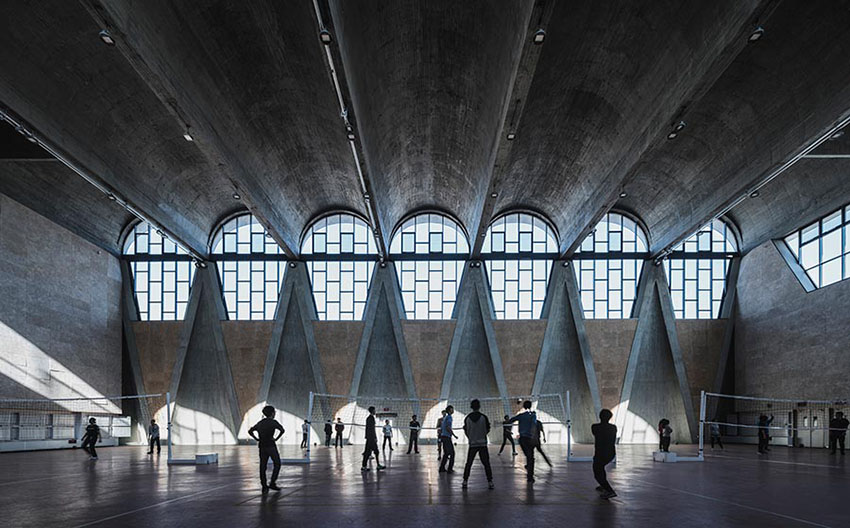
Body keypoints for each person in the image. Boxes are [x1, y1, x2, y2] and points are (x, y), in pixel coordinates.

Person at [248, 405, 284, 493]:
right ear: (272, 413)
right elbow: (282, 430)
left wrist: (257, 439)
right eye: (274, 412)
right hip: (271, 446)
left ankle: (264, 486)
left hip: (262, 446)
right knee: (277, 463)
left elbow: (250, 431)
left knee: (263, 466)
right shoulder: (273, 422)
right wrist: (276, 438)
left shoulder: (260, 423)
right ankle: (272, 482)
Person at [462, 399, 494, 490]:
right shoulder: (484, 417)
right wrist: (482, 435)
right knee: (486, 463)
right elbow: (488, 429)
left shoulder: (467, 418)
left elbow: (465, 430)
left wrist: (471, 438)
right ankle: (490, 482)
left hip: (472, 444)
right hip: (482, 444)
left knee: (469, 463)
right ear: (479, 406)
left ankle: (465, 481)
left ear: (471, 407)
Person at [508, 401, 538, 482]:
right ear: (530, 406)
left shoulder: (521, 416)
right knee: (530, 457)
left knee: (529, 456)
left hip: (522, 439)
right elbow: (534, 425)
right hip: (530, 438)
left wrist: (504, 422)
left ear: (524, 407)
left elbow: (511, 420)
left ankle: (529, 471)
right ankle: (530, 477)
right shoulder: (533, 415)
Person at [592, 409, 617, 500]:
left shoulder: (595, 427)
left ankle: (610, 491)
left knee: (597, 473)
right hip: (611, 453)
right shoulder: (613, 427)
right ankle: (603, 486)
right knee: (601, 468)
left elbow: (596, 433)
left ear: (600, 416)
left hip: (600, 454)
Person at [361, 406, 385, 471]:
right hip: (371, 438)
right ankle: (377, 465)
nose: (375, 411)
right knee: (375, 451)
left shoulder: (369, 418)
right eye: (374, 410)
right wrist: (374, 437)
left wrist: (368, 437)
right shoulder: (371, 418)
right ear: (372, 411)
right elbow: (371, 429)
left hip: (369, 438)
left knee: (367, 452)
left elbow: (369, 429)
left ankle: (364, 466)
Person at [438, 405, 457, 473]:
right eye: (452, 409)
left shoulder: (445, 418)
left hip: (443, 437)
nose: (453, 410)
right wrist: (454, 435)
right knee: (452, 453)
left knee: (446, 453)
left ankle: (442, 468)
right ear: (449, 410)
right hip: (446, 438)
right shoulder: (449, 417)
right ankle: (450, 469)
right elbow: (448, 428)